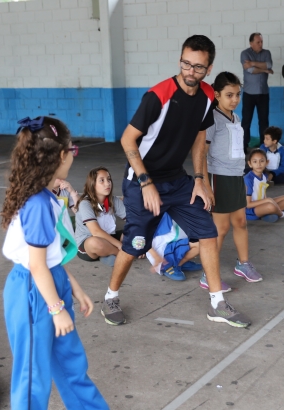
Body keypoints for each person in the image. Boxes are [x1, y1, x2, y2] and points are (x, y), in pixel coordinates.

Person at [103, 35, 252, 329]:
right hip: (141, 180)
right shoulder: (158, 95)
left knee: (207, 233)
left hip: (177, 180)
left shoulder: (209, 96)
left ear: (208, 68)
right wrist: (146, 183)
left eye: (198, 67)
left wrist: (199, 179)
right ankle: (110, 296)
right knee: (135, 243)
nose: (190, 72)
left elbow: (200, 138)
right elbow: (127, 139)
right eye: (186, 63)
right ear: (180, 60)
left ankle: (217, 303)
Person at [0, 117, 107, 409]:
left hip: (51, 282)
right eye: (73, 150)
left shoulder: (47, 196)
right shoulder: (36, 205)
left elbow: (49, 258)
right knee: (33, 374)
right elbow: (36, 266)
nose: (73, 155)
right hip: (33, 293)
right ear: (61, 155)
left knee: (71, 362)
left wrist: (74, 288)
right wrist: (57, 308)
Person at [205, 71, 261, 290]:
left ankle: (243, 264)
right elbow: (201, 152)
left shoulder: (235, 118)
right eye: (229, 95)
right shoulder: (211, 119)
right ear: (217, 95)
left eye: (238, 94)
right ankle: (208, 275)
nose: (235, 100)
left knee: (240, 222)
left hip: (237, 176)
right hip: (219, 177)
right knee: (220, 229)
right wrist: (204, 183)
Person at [75, 166, 126, 267]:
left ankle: (108, 254)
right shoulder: (85, 203)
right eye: (102, 181)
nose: (107, 183)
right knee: (95, 243)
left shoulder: (113, 200)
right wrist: (120, 245)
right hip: (88, 243)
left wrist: (135, 240)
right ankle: (122, 254)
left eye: (109, 179)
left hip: (109, 236)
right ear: (93, 184)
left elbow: (132, 221)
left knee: (131, 231)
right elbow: (96, 232)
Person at [244, 149, 284, 223]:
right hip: (249, 210)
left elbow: (263, 193)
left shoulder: (265, 176)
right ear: (250, 164)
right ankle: (282, 214)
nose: (258, 164)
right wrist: (267, 201)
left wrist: (266, 200)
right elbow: (248, 204)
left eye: (262, 161)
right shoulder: (248, 179)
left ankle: (268, 213)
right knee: (270, 206)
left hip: (261, 204)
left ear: (267, 162)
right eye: (255, 161)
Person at [240, 33, 273, 152]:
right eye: (258, 42)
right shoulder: (245, 53)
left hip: (263, 93)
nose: (260, 44)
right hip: (249, 93)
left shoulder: (266, 53)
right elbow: (250, 70)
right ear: (251, 43)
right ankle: (243, 147)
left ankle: (264, 147)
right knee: (246, 121)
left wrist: (253, 62)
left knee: (264, 121)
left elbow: (269, 64)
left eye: (261, 42)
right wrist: (264, 70)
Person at [145, 213, 201, 281]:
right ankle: (170, 267)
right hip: (162, 253)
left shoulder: (183, 210)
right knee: (200, 244)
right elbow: (142, 239)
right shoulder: (161, 212)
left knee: (202, 243)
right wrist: (156, 257)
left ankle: (179, 263)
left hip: (174, 245)